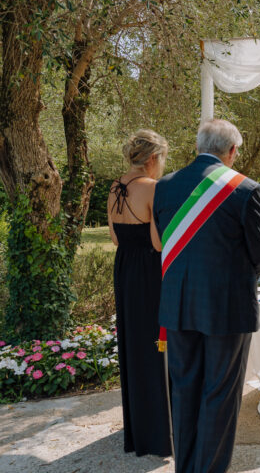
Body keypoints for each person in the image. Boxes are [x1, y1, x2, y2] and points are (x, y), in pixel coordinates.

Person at [153, 119, 260, 473]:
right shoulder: (245, 189)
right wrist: (234, 282)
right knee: (219, 394)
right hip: (226, 308)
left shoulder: (165, 186)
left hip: (177, 305)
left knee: (184, 390)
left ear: (196, 147)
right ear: (232, 151)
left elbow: (165, 240)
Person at [108, 129, 171, 458]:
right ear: (152, 158)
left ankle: (138, 429)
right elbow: (159, 243)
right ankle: (159, 432)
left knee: (133, 344)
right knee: (155, 346)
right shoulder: (153, 188)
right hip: (149, 272)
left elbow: (116, 239)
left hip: (124, 270)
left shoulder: (115, 185)